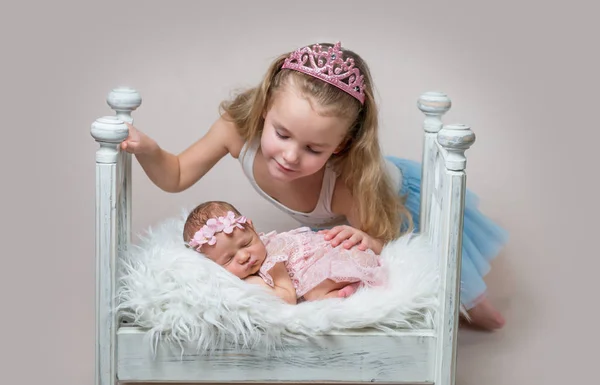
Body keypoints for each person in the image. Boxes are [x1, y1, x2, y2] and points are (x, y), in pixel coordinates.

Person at [121, 41, 508, 330]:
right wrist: (149, 150)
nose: (290, 156)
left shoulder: (348, 182)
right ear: (264, 108)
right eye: (282, 133)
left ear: (338, 146)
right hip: (352, 202)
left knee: (457, 284)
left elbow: (384, 243)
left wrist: (369, 241)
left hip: (396, 200)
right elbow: (174, 176)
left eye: (313, 148)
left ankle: (481, 308)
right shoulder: (235, 132)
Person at [183, 200, 387, 304]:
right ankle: (351, 286)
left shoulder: (272, 256)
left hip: (345, 257)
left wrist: (253, 283)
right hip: (348, 259)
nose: (244, 256)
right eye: (228, 259)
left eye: (246, 244)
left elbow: (287, 298)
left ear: (254, 229)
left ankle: (342, 288)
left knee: (312, 293)